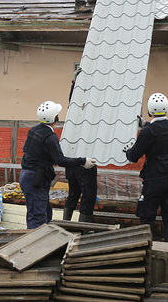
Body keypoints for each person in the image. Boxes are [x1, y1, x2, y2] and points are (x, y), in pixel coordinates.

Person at [20, 100, 96, 229]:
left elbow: (27, 151)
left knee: (44, 212)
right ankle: (35, 246)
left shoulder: (34, 130)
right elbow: (60, 160)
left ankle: (43, 239)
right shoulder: (50, 137)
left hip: (28, 175)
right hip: (35, 178)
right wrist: (82, 161)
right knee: (38, 217)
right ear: (55, 117)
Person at [125, 93, 168, 243]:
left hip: (155, 180)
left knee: (147, 217)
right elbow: (161, 130)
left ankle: (146, 250)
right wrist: (147, 125)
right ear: (167, 109)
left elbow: (134, 156)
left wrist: (128, 151)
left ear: (150, 111)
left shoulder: (148, 132)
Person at [64, 67, 98, 223]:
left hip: (71, 160)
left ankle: (66, 226)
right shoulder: (95, 112)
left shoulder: (75, 111)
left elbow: (73, 101)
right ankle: (82, 231)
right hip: (85, 161)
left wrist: (75, 83)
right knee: (88, 196)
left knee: (73, 194)